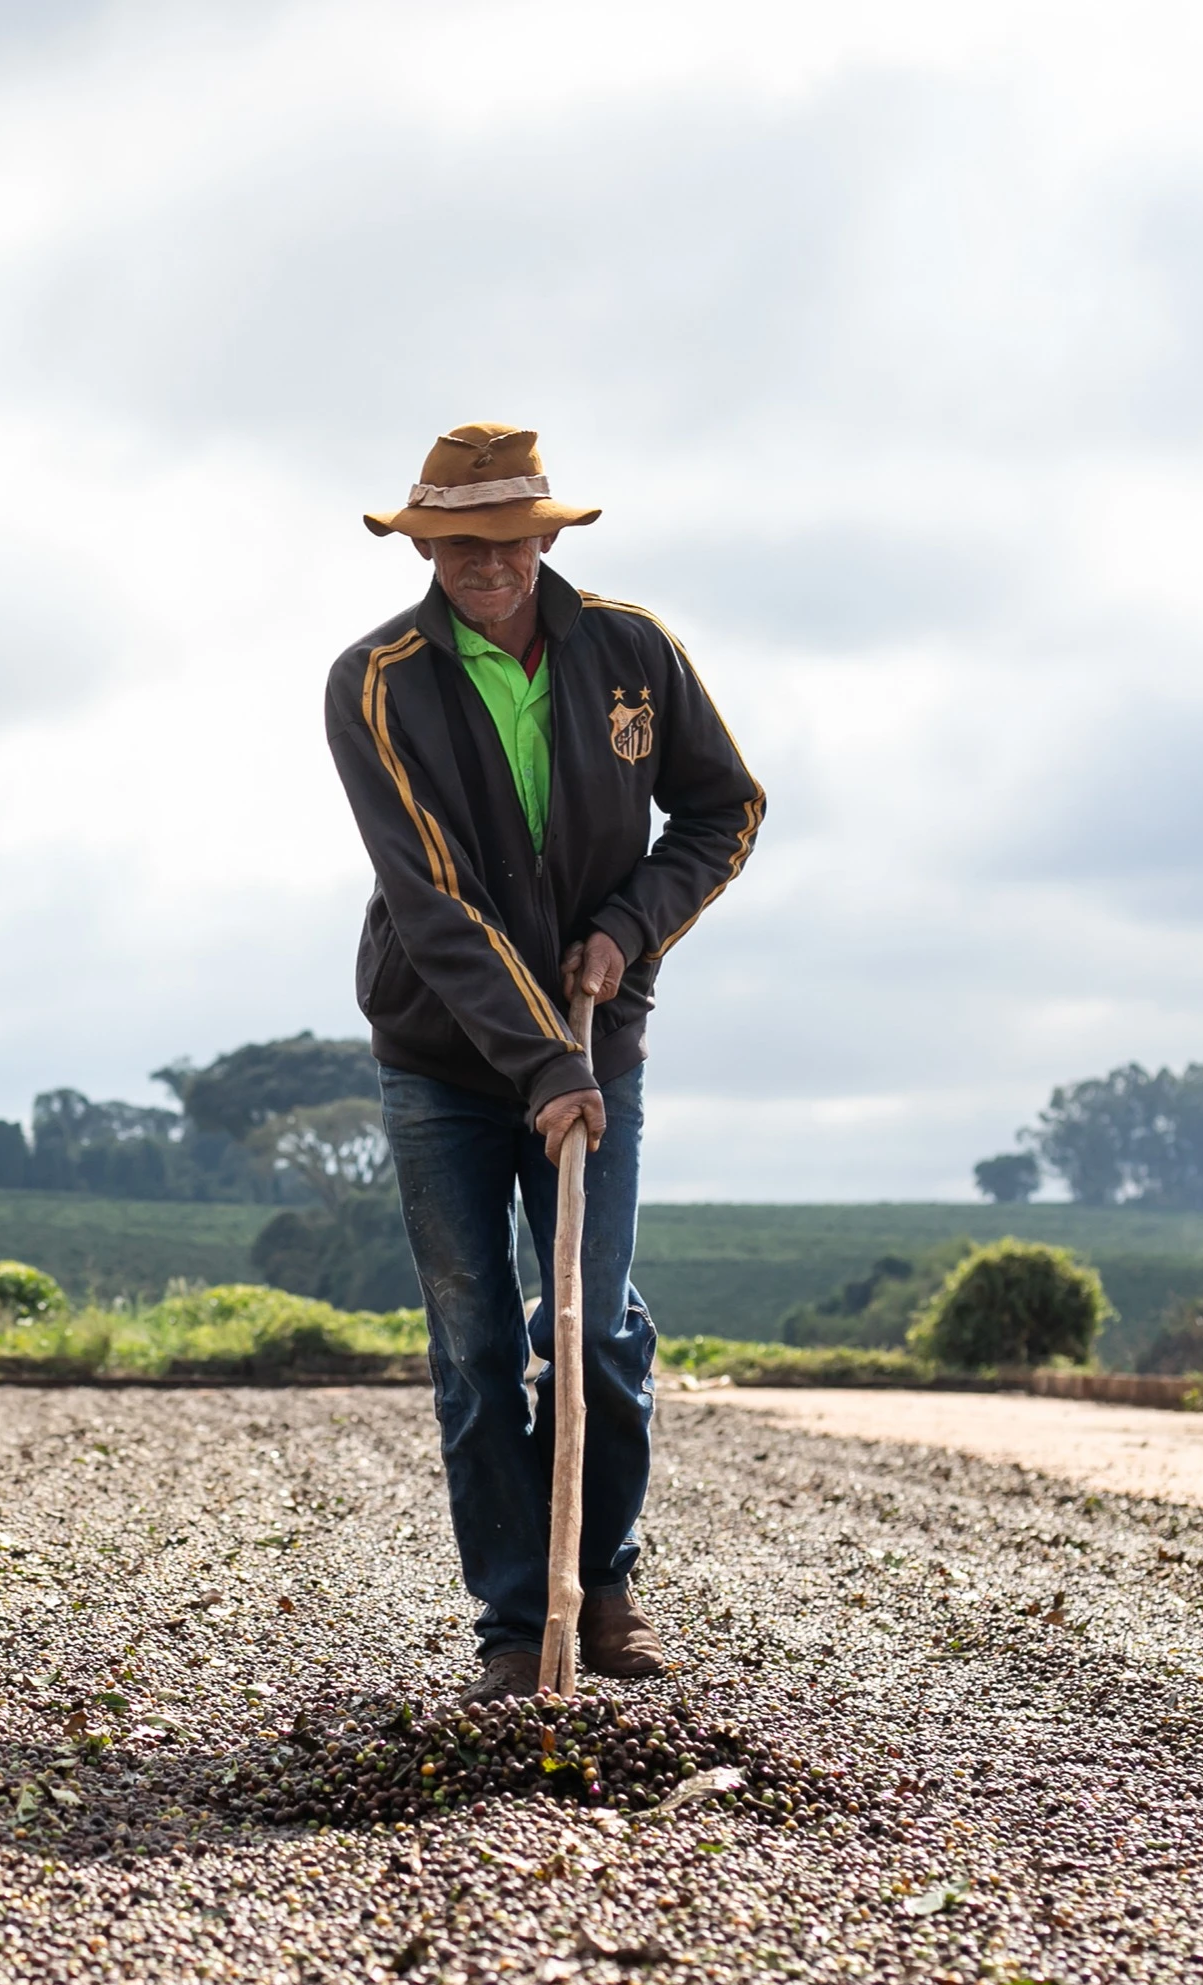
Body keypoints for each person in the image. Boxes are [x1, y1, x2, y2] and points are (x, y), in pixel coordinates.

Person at [324, 422, 765, 1698]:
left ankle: (601, 1584)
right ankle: (518, 1628)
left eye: (512, 542)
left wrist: (627, 928)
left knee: (591, 1327)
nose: (491, 567)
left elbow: (720, 809)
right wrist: (534, 1063)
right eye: (462, 545)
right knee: (472, 1345)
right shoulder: (375, 683)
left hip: (594, 1045)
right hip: (443, 1061)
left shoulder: (629, 654)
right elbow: (432, 900)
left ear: (545, 538)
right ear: (425, 545)